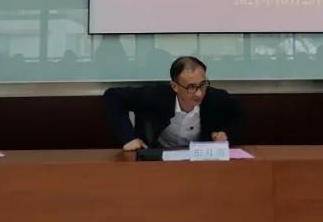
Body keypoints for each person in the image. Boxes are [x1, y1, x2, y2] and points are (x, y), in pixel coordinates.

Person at [103, 56, 242, 151]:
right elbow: (113, 96)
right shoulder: (155, 95)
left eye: (203, 84)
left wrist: (226, 134)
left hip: (200, 161)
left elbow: (238, 115)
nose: (199, 93)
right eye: (191, 87)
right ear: (175, 86)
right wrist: (128, 138)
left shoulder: (216, 97)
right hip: (157, 159)